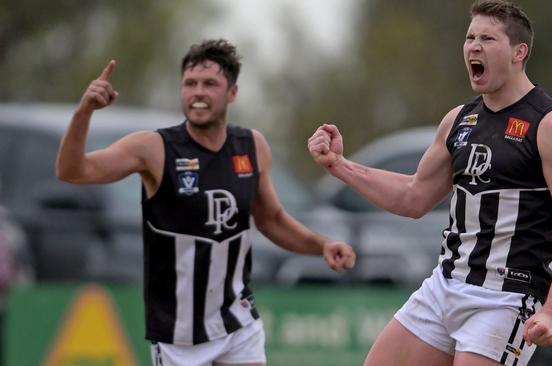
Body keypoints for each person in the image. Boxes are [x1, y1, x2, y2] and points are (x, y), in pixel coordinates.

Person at [308, 1, 552, 365]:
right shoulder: (460, 120)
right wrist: (339, 165)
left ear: (518, 52)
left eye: (488, 38)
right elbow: (414, 197)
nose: (474, 46)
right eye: (470, 37)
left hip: (504, 298)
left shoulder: (551, 126)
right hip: (444, 285)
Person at [56, 39, 356, 366]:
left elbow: (271, 219)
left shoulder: (251, 145)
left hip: (237, 319)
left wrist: (321, 245)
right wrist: (84, 111)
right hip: (178, 332)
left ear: (232, 93)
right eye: (190, 84)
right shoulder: (153, 148)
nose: (198, 92)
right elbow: (73, 171)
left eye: (210, 84)